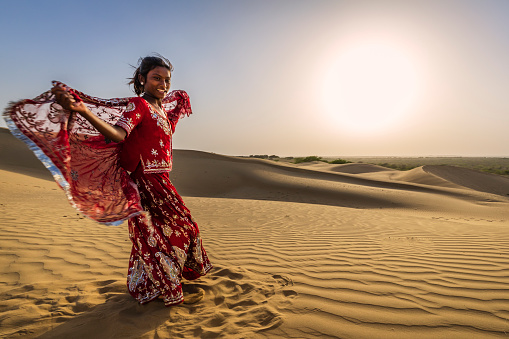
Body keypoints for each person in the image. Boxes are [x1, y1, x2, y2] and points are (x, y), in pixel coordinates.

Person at [5, 55, 212, 306]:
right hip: (145, 181)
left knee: (166, 231)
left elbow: (164, 126)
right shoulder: (139, 105)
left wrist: (177, 98)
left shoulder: (161, 110)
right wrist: (82, 110)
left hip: (162, 178)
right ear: (141, 79)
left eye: (167, 80)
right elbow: (117, 135)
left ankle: (156, 282)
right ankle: (165, 284)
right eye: (157, 78)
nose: (163, 84)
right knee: (173, 229)